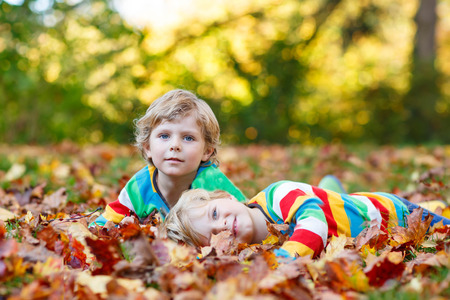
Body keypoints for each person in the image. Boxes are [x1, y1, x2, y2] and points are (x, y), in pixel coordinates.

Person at [163, 180, 450, 258]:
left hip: (389, 213)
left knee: (442, 229)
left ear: (226, 197)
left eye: (215, 214)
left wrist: (287, 258)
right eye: (213, 235)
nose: (222, 226)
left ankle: (432, 208)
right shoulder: (249, 252)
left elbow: (315, 224)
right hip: (358, 233)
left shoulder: (280, 194)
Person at [91, 89, 246, 226]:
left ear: (207, 151)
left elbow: (248, 214)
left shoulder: (213, 183)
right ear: (147, 147)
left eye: (188, 138)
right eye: (164, 135)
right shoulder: (139, 187)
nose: (175, 145)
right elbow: (102, 226)